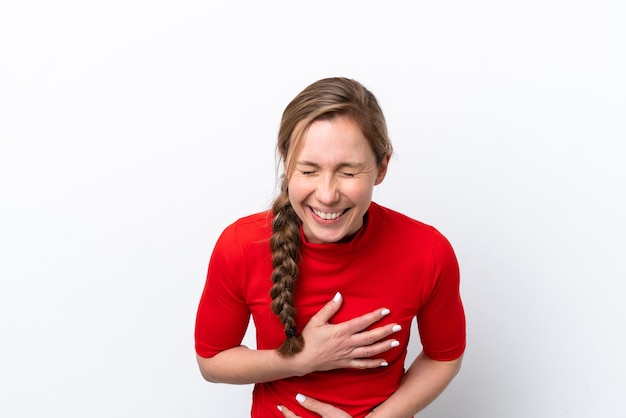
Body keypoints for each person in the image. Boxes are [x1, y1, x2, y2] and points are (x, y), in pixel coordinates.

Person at [194, 77, 466, 418]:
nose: (326, 194)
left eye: (348, 173)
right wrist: (303, 359)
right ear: (286, 160)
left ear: (382, 167)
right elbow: (212, 360)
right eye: (308, 170)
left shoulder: (428, 251)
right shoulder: (240, 245)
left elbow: (444, 356)